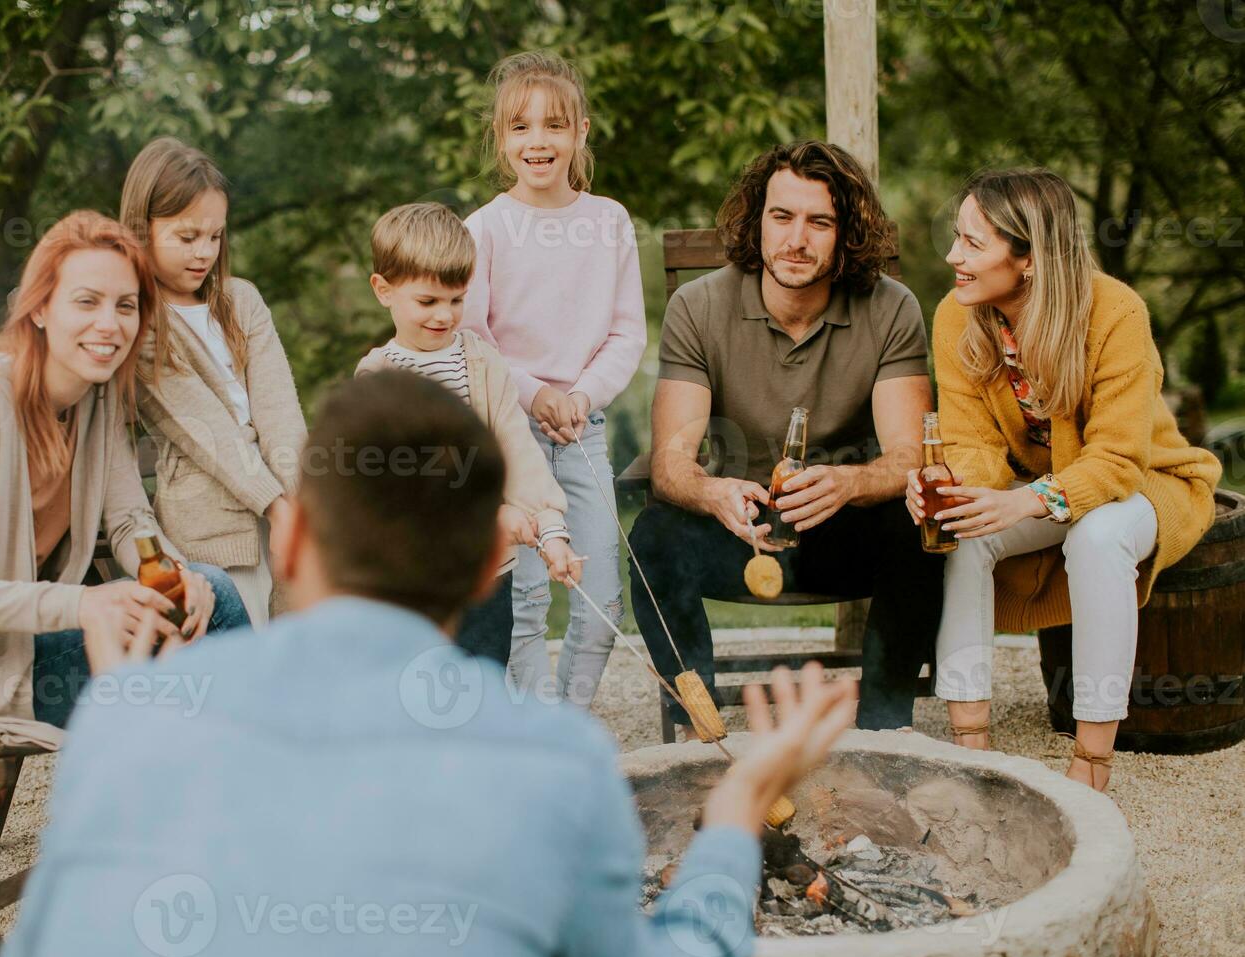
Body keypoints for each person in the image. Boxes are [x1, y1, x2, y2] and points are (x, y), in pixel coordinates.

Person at [0, 370, 858, 957]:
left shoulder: (123, 721)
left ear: (293, 542)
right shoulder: (557, 760)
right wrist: (738, 816)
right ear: (492, 558)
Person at [0, 211, 249, 792]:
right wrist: (80, 607)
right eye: (87, 301)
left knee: (204, 594)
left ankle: (215, 793)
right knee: (210, 620)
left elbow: (130, 523)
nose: (110, 324)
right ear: (40, 309)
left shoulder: (96, 394)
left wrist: (173, 576)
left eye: (126, 306)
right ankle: (246, 791)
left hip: (27, 646)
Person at [907, 168, 1221, 790]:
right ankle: (972, 748)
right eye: (956, 238)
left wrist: (1026, 501)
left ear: (1028, 257)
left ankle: (1093, 761)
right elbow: (970, 441)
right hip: (1040, 486)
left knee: (1097, 537)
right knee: (965, 530)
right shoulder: (956, 315)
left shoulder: (1114, 311)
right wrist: (953, 486)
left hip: (1145, 483)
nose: (953, 256)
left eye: (973, 243)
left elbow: (1117, 460)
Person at [628, 139, 945, 735]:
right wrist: (714, 493)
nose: (796, 239)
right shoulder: (698, 307)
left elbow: (908, 457)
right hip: (740, 527)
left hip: (842, 526)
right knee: (655, 537)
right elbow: (672, 462)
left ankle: (885, 731)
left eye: (819, 221)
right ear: (758, 219)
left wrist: (850, 483)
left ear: (845, 231)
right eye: (782, 216)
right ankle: (699, 731)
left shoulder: (892, 308)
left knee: (918, 523)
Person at [459, 50, 647, 706]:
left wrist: (579, 395)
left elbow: (627, 334)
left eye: (554, 125)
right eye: (520, 127)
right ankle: (534, 731)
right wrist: (534, 393)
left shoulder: (609, 223)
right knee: (528, 597)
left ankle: (568, 723)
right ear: (501, 137)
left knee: (603, 601)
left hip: (582, 429)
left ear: (581, 132)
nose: (538, 141)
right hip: (511, 431)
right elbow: (473, 341)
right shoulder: (482, 230)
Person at [357, 202, 581, 668]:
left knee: (484, 688)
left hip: (486, 575)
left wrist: (550, 529)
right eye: (428, 301)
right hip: (415, 584)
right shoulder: (378, 376)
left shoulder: (480, 361)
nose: (445, 315)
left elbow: (514, 446)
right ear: (384, 290)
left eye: (456, 300)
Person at [122, 136, 308, 626]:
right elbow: (207, 433)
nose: (204, 252)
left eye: (215, 236)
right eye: (186, 238)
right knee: (242, 669)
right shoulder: (142, 323)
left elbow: (279, 410)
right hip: (211, 529)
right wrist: (276, 507)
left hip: (283, 511)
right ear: (142, 231)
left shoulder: (241, 301)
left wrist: (299, 502)